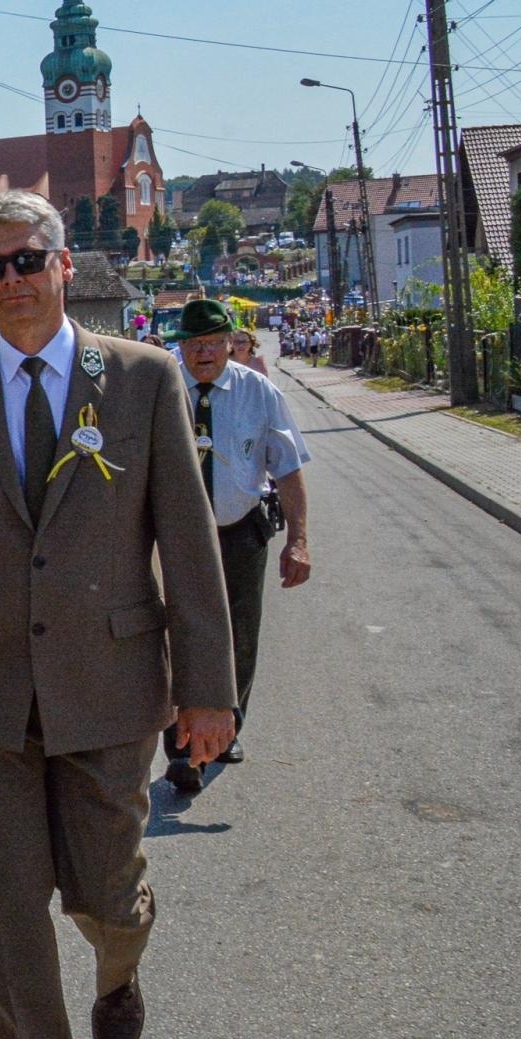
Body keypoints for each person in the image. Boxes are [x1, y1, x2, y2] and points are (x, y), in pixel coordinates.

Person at [0, 191, 236, 1039]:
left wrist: (209, 687)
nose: (13, 279)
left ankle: (119, 969)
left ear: (64, 264)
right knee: (5, 904)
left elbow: (188, 547)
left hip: (110, 684)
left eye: (28, 259)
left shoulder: (145, 378)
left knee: (109, 893)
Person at [161, 299, 312, 792]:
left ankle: (226, 729)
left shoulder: (259, 393)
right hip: (174, 539)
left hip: (239, 531)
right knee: (171, 636)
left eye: (211, 343)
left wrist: (299, 541)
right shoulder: (160, 389)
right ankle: (181, 744)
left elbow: (286, 467)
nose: (201, 353)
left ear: (231, 342)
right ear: (180, 346)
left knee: (238, 636)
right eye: (191, 343)